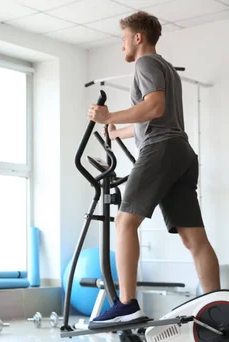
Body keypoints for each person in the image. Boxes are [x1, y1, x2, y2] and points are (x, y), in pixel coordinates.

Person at [87, 11, 220, 326]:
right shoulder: (167, 69)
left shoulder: (145, 63)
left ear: (137, 37)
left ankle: (126, 304)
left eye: (123, 40)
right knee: (194, 238)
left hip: (160, 150)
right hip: (181, 153)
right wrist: (117, 131)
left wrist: (108, 116)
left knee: (124, 222)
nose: (122, 48)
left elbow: (154, 107)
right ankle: (218, 309)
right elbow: (156, 115)